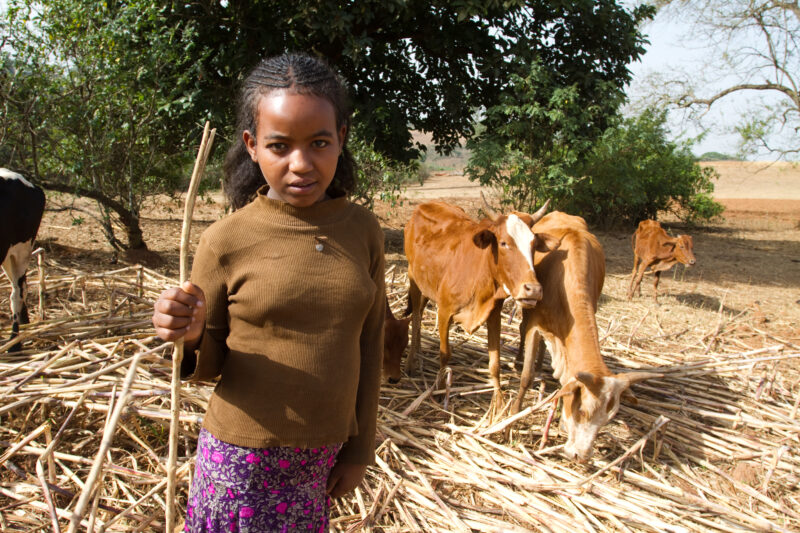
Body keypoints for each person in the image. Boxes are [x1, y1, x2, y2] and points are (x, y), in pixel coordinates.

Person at [152, 53, 385, 532]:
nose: (301, 164)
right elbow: (207, 360)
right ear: (252, 146)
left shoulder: (363, 231)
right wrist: (189, 334)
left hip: (321, 456)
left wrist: (359, 450)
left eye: (319, 142)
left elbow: (371, 342)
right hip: (242, 460)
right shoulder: (226, 241)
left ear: (341, 137)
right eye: (280, 146)